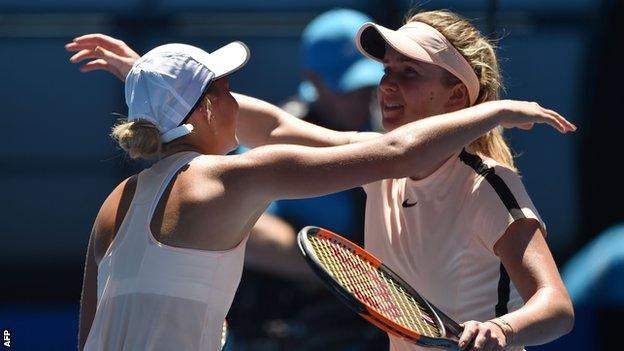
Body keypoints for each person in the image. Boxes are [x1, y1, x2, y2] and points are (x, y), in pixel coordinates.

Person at [66, 14, 574, 351]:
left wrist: (153, 83)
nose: (388, 85)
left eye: (409, 73)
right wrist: (499, 111)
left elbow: (557, 307)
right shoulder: (373, 167)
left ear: (456, 97)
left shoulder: (114, 202)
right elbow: (389, 149)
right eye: (387, 70)